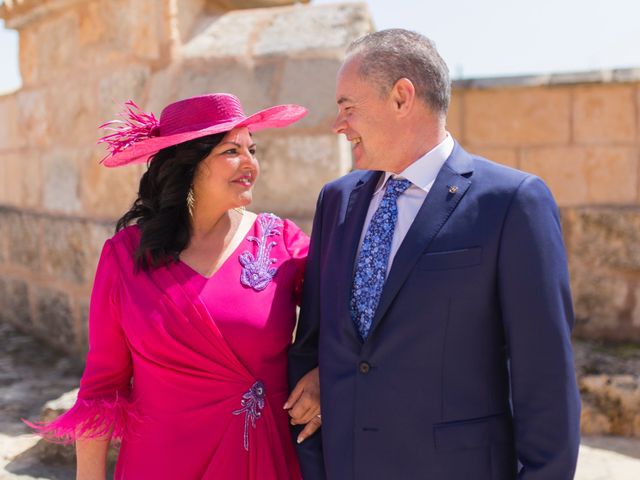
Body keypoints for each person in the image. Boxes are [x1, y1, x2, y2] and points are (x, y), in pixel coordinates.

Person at [289, 29, 581, 480]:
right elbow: (313, 348)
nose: (338, 124)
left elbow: (546, 379)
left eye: (349, 107)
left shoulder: (511, 202)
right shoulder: (336, 200)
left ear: (402, 97)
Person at [27, 93, 321, 479]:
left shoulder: (280, 240)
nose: (251, 163)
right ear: (188, 166)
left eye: (253, 148)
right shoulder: (124, 256)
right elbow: (102, 388)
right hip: (159, 463)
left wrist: (322, 377)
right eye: (231, 151)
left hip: (262, 461)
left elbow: (349, 320)